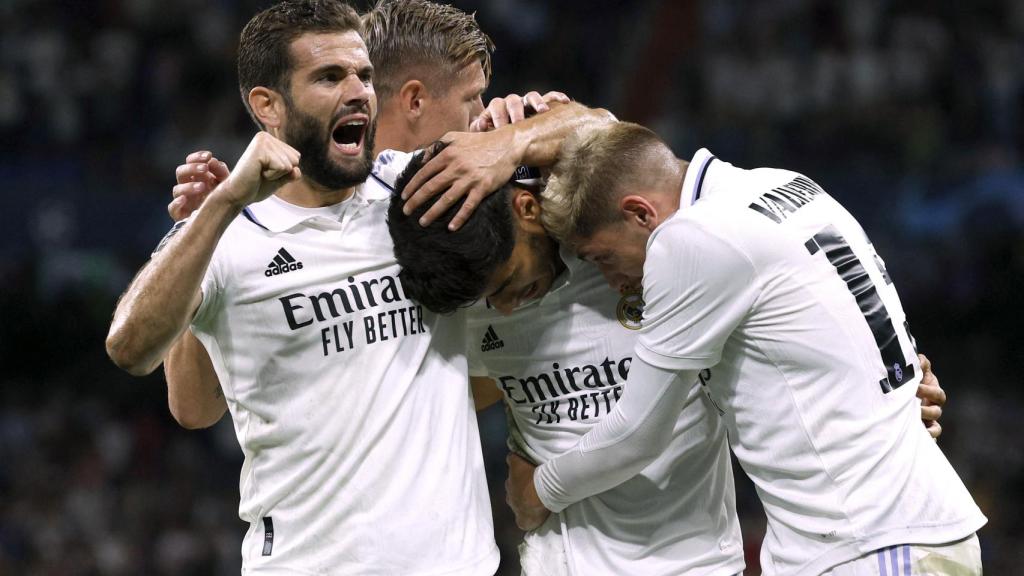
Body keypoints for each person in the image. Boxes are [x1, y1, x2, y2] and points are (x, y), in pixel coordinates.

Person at [105, 0, 607, 572]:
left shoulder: (418, 191)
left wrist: (515, 140)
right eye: (329, 76)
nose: (358, 91)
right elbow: (143, 360)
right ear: (267, 105)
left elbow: (602, 132)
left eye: (364, 74)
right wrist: (214, 214)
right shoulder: (232, 230)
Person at [387, 142, 950, 575]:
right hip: (856, 538)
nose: (616, 278)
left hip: (867, 539)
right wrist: (893, 387)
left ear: (640, 215)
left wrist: (537, 492)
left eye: (603, 258)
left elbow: (637, 433)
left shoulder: (694, 241)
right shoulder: (780, 187)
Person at [163, 0, 570, 429]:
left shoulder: (461, 197)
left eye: (364, 77)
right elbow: (193, 408)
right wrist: (205, 235)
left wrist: (525, 138)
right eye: (472, 98)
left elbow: (603, 135)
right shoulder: (260, 218)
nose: (482, 113)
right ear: (414, 100)